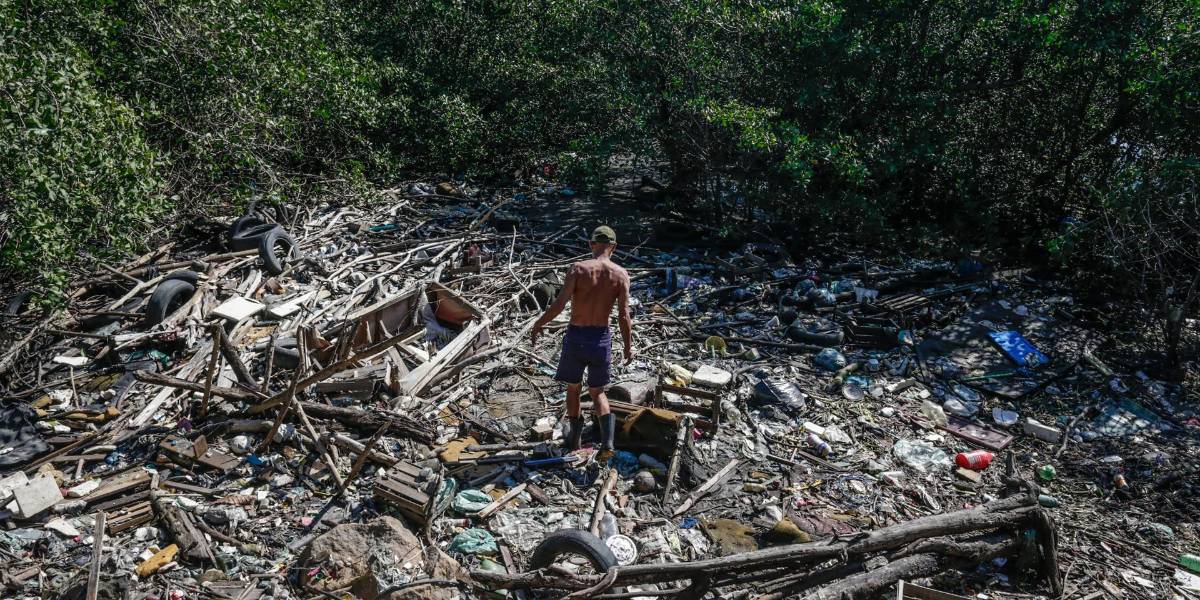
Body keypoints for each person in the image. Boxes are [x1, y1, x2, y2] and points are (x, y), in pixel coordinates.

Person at [531, 225, 633, 460]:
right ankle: (607, 443)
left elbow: (559, 304)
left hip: (577, 336)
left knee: (574, 388)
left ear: (591, 244)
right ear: (614, 247)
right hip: (601, 338)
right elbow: (624, 315)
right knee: (598, 392)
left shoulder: (578, 269)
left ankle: (574, 441)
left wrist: (539, 323)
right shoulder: (621, 274)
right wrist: (628, 346)